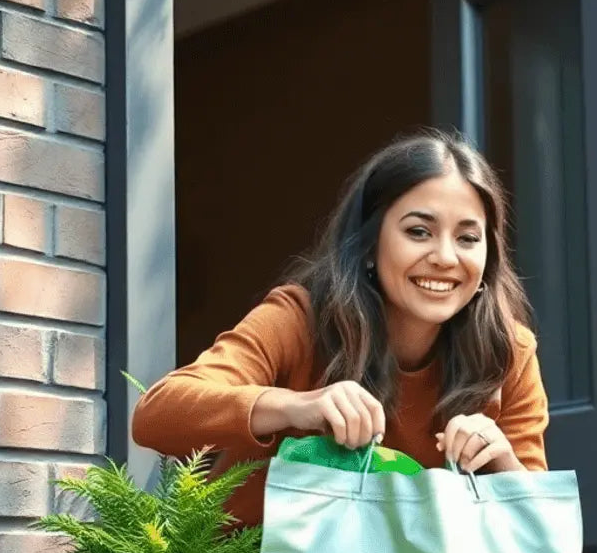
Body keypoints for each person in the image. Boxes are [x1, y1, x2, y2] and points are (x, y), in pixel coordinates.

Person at [131, 128, 549, 524]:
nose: (444, 256)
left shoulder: (509, 352)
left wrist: (503, 462)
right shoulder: (299, 318)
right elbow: (158, 414)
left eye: (467, 238)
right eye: (419, 231)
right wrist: (299, 405)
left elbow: (540, 539)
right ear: (370, 245)